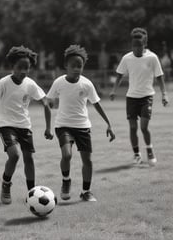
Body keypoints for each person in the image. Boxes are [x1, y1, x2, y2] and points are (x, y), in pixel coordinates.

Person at [0, 46, 53, 205]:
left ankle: (32, 192)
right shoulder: (4, 83)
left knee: (29, 158)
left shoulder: (30, 84)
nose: (23, 71)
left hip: (24, 126)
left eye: (27, 68)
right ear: (12, 67)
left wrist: (48, 128)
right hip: (6, 125)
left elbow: (46, 104)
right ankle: (6, 185)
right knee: (14, 155)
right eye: (19, 67)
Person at [47, 45, 115, 202]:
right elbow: (49, 99)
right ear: (66, 66)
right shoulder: (59, 82)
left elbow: (96, 104)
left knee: (87, 161)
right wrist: (49, 104)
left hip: (83, 127)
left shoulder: (87, 84)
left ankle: (86, 192)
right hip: (63, 125)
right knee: (67, 155)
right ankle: (66, 181)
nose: (77, 68)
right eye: (73, 65)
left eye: (80, 65)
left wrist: (108, 123)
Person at [110, 28, 168, 166]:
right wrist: (113, 90)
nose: (137, 49)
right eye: (134, 46)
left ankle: (149, 150)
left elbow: (159, 77)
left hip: (147, 96)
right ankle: (136, 154)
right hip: (131, 98)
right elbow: (119, 75)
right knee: (132, 128)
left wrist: (164, 94)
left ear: (144, 45)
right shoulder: (127, 58)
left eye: (139, 46)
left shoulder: (152, 58)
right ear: (132, 46)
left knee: (143, 126)